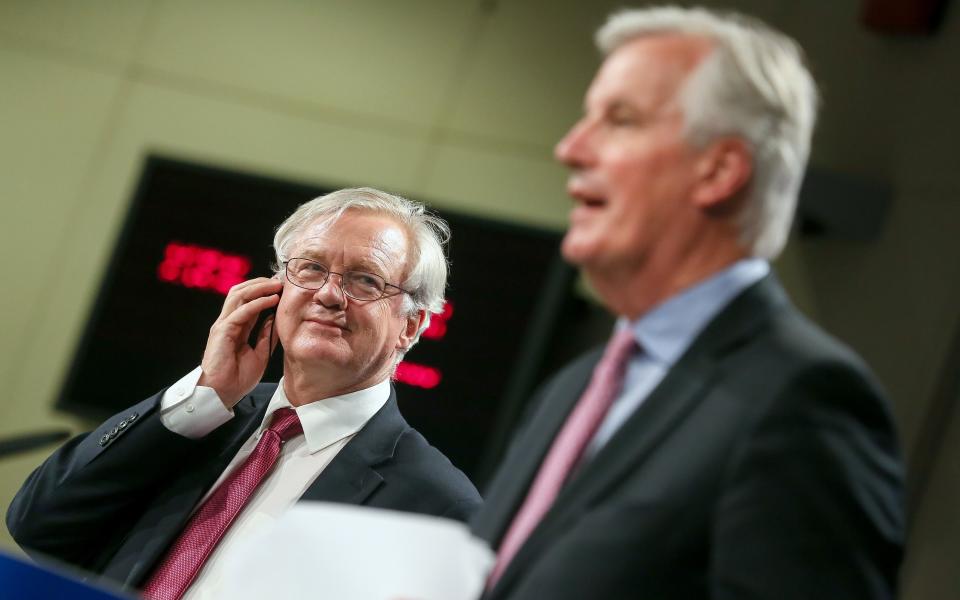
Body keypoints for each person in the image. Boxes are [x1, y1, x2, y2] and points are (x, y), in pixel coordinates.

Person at [472, 7, 903, 600]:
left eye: (620, 120)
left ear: (719, 170)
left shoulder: (802, 400)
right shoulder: (572, 389)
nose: (571, 148)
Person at [7, 187, 481, 598]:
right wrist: (204, 394)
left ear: (411, 325)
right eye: (311, 268)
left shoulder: (439, 507)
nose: (330, 294)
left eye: (365, 280)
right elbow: (39, 525)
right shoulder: (204, 418)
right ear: (274, 288)